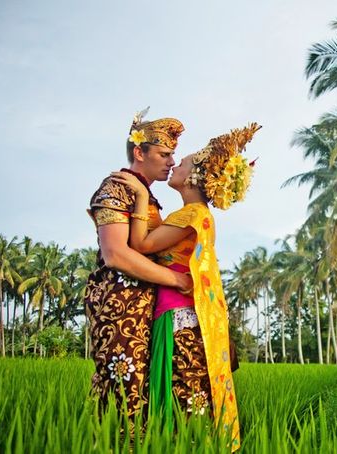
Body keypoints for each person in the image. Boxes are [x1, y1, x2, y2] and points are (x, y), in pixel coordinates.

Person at [112, 122, 261, 450]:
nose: (175, 164)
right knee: (191, 399)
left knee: (184, 401)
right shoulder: (195, 215)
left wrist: (138, 195)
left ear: (195, 177)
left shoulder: (191, 213)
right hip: (183, 317)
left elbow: (140, 244)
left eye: (183, 162)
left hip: (178, 318)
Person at [84, 108, 193, 418]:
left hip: (146, 306)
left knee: (146, 391)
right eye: (164, 154)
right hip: (120, 305)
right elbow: (116, 254)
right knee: (123, 388)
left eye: (174, 155)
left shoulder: (146, 196)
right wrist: (176, 281)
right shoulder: (116, 188)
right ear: (139, 152)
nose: (171, 162)